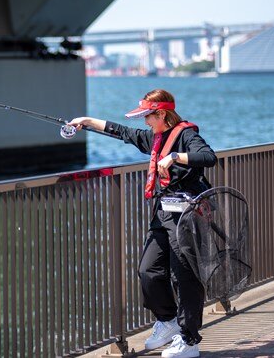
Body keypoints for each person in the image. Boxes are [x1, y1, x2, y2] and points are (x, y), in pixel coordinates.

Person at [69, 89, 217, 358]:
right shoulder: (155, 137)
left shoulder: (186, 135)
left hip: (187, 216)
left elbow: (208, 156)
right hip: (163, 213)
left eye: (148, 116)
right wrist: (87, 121)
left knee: (185, 277)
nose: (145, 122)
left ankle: (189, 340)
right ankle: (168, 321)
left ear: (162, 114)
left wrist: (174, 157)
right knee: (148, 271)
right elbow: (122, 132)